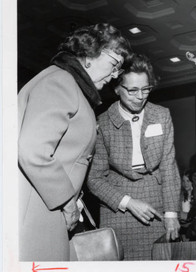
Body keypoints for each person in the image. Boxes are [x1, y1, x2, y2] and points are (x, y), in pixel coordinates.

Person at [18, 23, 131, 261]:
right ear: (90, 54)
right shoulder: (60, 82)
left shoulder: (68, 84)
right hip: (38, 213)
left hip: (44, 208)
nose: (114, 76)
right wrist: (67, 201)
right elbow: (32, 150)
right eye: (113, 65)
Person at [86, 54, 181, 260]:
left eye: (146, 89)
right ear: (117, 89)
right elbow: (94, 179)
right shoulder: (102, 123)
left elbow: (168, 167)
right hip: (119, 211)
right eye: (133, 90)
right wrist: (128, 202)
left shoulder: (162, 115)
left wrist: (171, 214)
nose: (140, 96)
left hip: (157, 207)